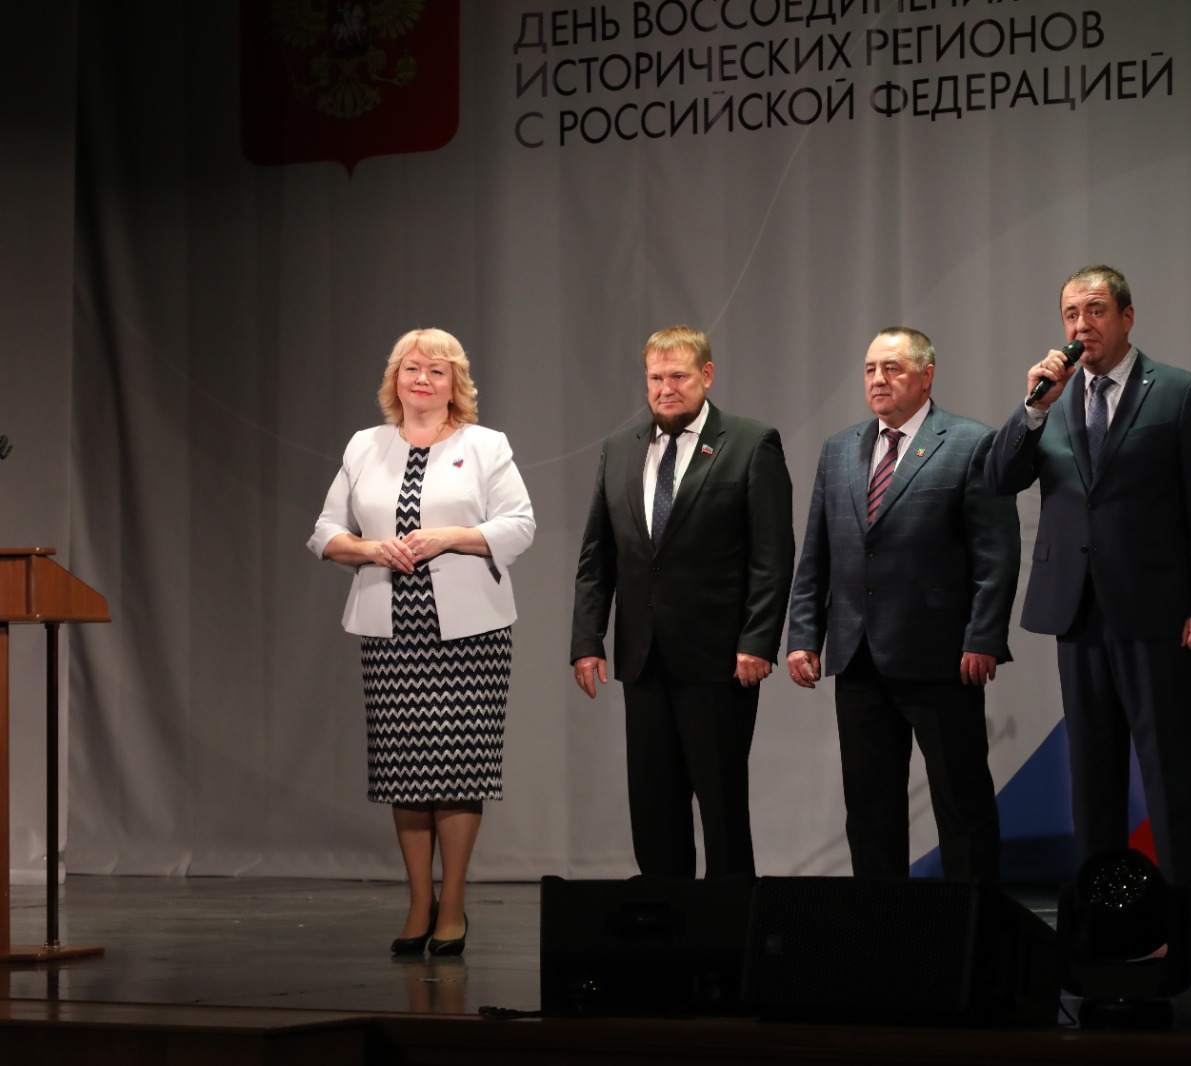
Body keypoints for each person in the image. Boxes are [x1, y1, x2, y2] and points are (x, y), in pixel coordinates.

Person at [985, 266, 1191, 962]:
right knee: (1092, 782)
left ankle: (1189, 935)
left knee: (1169, 780)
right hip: (1078, 612)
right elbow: (999, 477)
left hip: (1158, 614)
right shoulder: (1054, 399)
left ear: (1127, 317)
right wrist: (1032, 409)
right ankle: (1103, 927)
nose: (1081, 325)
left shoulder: (1179, 393)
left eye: (1095, 310)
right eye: (1071, 313)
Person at [309, 327, 535, 957]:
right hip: (392, 630)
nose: (423, 380)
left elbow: (520, 525)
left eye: (438, 371)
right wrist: (370, 549)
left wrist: (448, 537)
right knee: (404, 771)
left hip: (470, 634)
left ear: (455, 383)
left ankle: (453, 904)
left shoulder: (485, 445)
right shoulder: (365, 445)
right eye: (412, 369)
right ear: (395, 379)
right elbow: (325, 531)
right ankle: (418, 903)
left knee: (458, 768)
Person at [785, 328, 1020, 880]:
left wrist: (983, 637)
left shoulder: (971, 443)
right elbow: (816, 551)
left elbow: (997, 555)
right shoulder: (839, 449)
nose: (878, 379)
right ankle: (882, 923)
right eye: (870, 369)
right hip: (858, 657)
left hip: (943, 658)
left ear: (926, 375)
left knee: (961, 804)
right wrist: (803, 636)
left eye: (892, 368)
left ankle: (972, 922)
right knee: (870, 810)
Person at [570, 325, 794, 879]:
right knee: (653, 808)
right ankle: (667, 917)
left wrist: (758, 639)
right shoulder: (619, 446)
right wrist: (587, 640)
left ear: (706, 375)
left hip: (720, 661)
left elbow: (772, 556)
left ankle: (729, 921)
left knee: (721, 807)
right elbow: (598, 555)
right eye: (655, 378)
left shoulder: (751, 442)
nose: (665, 389)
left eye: (678, 376)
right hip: (643, 660)